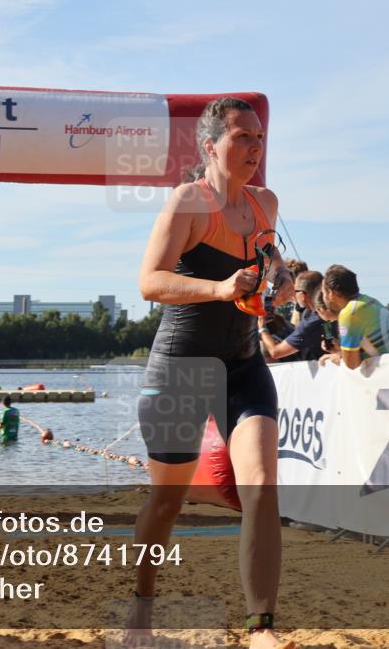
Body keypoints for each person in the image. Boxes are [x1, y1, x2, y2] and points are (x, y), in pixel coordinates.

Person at [131, 97, 295, 649]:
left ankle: (260, 628)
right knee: (168, 502)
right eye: (241, 137)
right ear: (210, 147)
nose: (254, 147)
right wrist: (220, 289)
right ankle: (142, 605)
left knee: (262, 488)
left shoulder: (266, 202)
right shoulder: (186, 202)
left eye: (258, 137)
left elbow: (271, 263)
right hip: (182, 365)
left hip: (243, 364)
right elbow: (150, 282)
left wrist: (278, 283)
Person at [319, 264, 389, 369]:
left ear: (331, 293)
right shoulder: (369, 300)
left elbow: (352, 364)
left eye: (323, 292)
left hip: (388, 372)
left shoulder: (349, 314)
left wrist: (339, 353)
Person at [259, 271, 333, 362]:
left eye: (294, 291)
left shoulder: (311, 323)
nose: (292, 294)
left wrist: (262, 328)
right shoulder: (332, 311)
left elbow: (275, 352)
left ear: (302, 295)